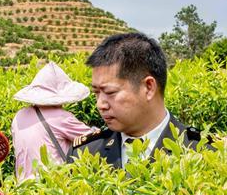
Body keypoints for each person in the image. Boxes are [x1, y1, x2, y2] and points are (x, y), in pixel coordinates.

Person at [68, 32, 205, 168]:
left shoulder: (203, 151)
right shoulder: (85, 153)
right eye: (96, 93)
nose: (100, 105)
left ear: (148, 87)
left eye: (110, 92)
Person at [10, 61, 98, 180]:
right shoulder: (61, 117)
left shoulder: (19, 116)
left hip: (23, 186)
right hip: (52, 186)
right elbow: (94, 138)